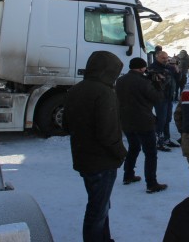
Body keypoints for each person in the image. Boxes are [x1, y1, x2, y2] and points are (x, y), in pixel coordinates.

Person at [63, 50, 127, 242]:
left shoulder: (76, 89)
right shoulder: (104, 92)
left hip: (83, 156)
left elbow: (66, 125)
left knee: (100, 205)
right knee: (97, 210)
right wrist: (120, 152)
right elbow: (107, 132)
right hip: (103, 160)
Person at [115, 57, 168, 194]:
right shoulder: (143, 82)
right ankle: (151, 183)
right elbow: (157, 98)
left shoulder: (120, 80)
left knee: (133, 147)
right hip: (143, 121)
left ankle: (128, 175)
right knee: (150, 153)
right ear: (141, 68)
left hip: (126, 120)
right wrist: (159, 84)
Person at [148, 51, 180, 151]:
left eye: (166, 58)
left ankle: (166, 139)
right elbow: (160, 82)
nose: (166, 60)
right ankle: (159, 141)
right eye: (163, 58)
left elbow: (178, 78)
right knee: (161, 120)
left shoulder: (168, 67)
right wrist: (167, 73)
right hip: (160, 97)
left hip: (168, 97)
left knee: (168, 119)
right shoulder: (153, 68)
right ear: (157, 57)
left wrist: (176, 68)